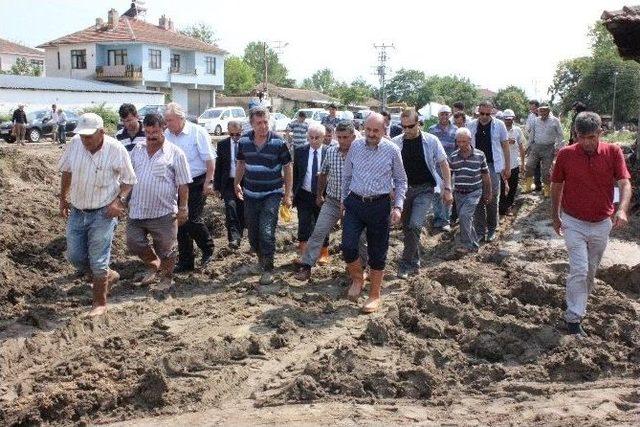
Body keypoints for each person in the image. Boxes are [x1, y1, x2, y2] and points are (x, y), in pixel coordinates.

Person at [550, 111, 631, 337]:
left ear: (600, 133)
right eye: (581, 137)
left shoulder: (613, 152)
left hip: (601, 222)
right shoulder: (565, 154)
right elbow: (556, 185)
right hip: (573, 221)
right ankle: (573, 318)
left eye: (591, 138)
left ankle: (577, 303)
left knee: (589, 272)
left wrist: (622, 209)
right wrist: (555, 216)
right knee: (579, 268)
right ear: (575, 134)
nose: (586, 142)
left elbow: (624, 183)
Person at [58, 113, 137, 316]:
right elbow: (67, 171)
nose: (85, 140)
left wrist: (118, 202)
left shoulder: (116, 149)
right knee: (75, 256)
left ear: (101, 132)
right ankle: (109, 275)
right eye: (82, 136)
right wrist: (62, 198)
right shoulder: (75, 144)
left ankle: (100, 303)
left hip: (103, 211)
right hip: (78, 209)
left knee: (98, 260)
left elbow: (129, 180)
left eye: (89, 136)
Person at [342, 113, 407, 313]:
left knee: (378, 252)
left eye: (375, 131)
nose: (371, 134)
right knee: (348, 246)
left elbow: (401, 180)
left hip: (379, 206)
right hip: (355, 202)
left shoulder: (392, 150)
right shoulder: (355, 146)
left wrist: (398, 206)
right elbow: (347, 174)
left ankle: (374, 295)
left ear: (384, 130)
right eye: (368, 129)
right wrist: (344, 200)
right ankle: (357, 279)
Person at [294, 121, 368, 281]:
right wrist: (319, 194)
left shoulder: (362, 154)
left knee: (358, 237)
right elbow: (323, 173)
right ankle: (306, 266)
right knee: (319, 231)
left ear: (353, 137)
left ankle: (362, 267)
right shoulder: (332, 152)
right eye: (339, 137)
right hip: (333, 200)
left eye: (345, 137)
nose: (342, 141)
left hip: (354, 203)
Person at [126, 113, 191, 290]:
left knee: (167, 249)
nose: (150, 136)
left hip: (163, 212)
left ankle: (166, 277)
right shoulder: (137, 150)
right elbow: (128, 178)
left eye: (154, 131)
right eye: (147, 132)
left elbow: (183, 184)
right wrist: (122, 198)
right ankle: (153, 263)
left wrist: (183, 207)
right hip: (137, 209)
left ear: (163, 129)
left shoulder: (175, 153)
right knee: (133, 242)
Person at [234, 107, 293, 285]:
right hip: (251, 194)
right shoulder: (244, 141)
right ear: (251, 124)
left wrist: (288, 194)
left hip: (272, 194)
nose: (263, 126)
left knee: (266, 232)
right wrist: (236, 183)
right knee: (252, 234)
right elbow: (241, 163)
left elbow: (288, 167)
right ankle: (261, 261)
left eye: (265, 122)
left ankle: (268, 268)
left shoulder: (278, 142)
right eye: (258, 123)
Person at [394, 109, 452, 278]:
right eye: (403, 127)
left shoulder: (431, 140)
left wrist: (447, 188)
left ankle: (405, 264)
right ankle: (415, 261)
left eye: (410, 126)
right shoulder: (396, 142)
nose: (406, 130)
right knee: (408, 229)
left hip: (424, 189)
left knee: (415, 225)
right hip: (404, 191)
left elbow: (443, 164)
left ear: (418, 123)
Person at [163, 102, 216, 272]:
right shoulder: (167, 135)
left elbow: (209, 160)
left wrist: (209, 181)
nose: (167, 124)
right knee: (179, 222)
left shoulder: (197, 132)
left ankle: (208, 248)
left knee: (192, 218)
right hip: (176, 184)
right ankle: (186, 260)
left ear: (180, 118)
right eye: (166, 120)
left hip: (197, 181)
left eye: (170, 120)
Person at [466, 100, 510, 242]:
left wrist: (507, 166)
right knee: (477, 196)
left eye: (487, 113)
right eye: (481, 113)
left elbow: (505, 146)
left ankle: (492, 227)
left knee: (492, 197)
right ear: (478, 111)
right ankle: (480, 230)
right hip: (475, 164)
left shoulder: (499, 125)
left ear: (492, 112)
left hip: (492, 165)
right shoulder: (471, 125)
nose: (484, 116)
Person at [449, 128, 492, 252]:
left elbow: (485, 175)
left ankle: (467, 245)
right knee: (466, 218)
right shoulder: (453, 156)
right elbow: (449, 175)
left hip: (474, 192)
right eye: (459, 142)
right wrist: (446, 190)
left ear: (470, 140)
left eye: (464, 141)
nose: (461, 145)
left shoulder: (479, 155)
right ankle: (474, 244)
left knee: (464, 215)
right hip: (459, 193)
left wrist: (488, 193)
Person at [292, 124, 330, 264]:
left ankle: (324, 252)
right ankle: (303, 252)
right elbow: (296, 172)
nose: (314, 141)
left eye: (317, 138)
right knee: (304, 222)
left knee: (322, 223)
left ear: (323, 137)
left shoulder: (329, 152)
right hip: (304, 194)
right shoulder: (300, 151)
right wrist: (292, 192)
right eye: (311, 138)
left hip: (324, 195)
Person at [214, 121, 245, 249]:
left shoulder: (247, 144)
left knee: (241, 209)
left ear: (241, 132)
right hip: (228, 183)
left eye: (237, 134)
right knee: (230, 207)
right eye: (232, 134)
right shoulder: (222, 145)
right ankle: (233, 238)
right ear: (228, 132)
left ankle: (239, 235)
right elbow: (219, 167)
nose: (235, 137)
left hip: (244, 182)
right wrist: (216, 186)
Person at [523, 103, 563, 198]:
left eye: (545, 110)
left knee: (545, 171)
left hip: (549, 148)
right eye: (541, 110)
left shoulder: (555, 121)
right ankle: (528, 186)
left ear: (549, 110)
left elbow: (560, 135)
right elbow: (532, 135)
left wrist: (558, 148)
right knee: (528, 166)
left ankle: (547, 190)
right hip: (536, 147)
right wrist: (527, 146)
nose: (543, 112)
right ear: (539, 111)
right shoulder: (536, 121)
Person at [428, 105, 457, 232]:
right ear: (438, 116)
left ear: (450, 115)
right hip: (435, 167)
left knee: (448, 192)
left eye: (446, 114)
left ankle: (446, 219)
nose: (444, 116)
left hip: (450, 167)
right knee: (436, 193)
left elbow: (458, 148)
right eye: (442, 114)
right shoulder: (432, 129)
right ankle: (438, 218)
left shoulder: (456, 130)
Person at [499, 109, 526, 216]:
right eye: (506, 119)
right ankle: (501, 207)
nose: (508, 121)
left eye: (510, 119)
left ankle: (508, 206)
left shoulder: (517, 130)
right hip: (501, 164)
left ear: (513, 119)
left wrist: (523, 163)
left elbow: (521, 147)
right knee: (501, 187)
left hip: (514, 163)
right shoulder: (499, 129)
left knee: (512, 187)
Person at [525, 100, 542, 192]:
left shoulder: (545, 115)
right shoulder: (530, 116)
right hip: (534, 143)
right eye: (531, 108)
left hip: (545, 144)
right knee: (535, 164)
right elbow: (527, 128)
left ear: (537, 107)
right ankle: (537, 184)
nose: (532, 109)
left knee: (546, 165)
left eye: (533, 108)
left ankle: (547, 184)